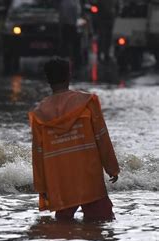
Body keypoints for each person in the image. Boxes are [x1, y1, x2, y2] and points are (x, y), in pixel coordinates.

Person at [29, 58, 119, 221]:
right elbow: (101, 137)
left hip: (60, 181)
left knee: (62, 229)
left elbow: (38, 153)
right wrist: (111, 167)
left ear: (47, 79)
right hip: (89, 177)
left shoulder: (39, 114)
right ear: (69, 75)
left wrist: (42, 186)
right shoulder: (87, 102)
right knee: (102, 224)